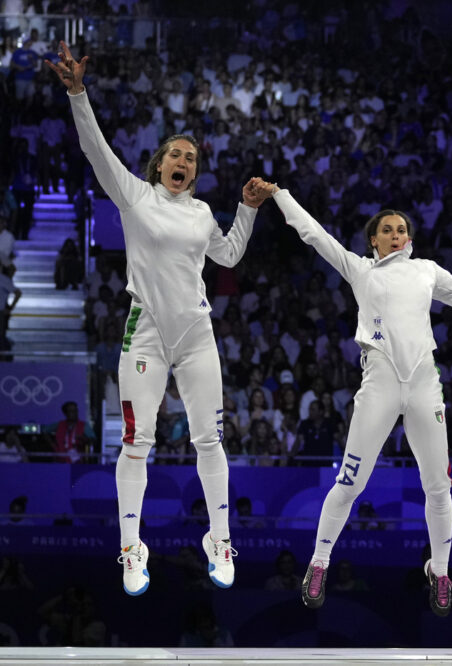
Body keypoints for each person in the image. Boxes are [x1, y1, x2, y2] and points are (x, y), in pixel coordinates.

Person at [252, 179, 452, 616]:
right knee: (349, 482)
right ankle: (318, 563)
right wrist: (280, 196)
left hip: (425, 382)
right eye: (387, 229)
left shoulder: (426, 270)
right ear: (373, 239)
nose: (396, 234)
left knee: (439, 486)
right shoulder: (360, 269)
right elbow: (313, 233)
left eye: (402, 229)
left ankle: (441, 571)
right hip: (380, 384)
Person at [47, 42, 267, 596]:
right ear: (160, 162)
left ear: (194, 173)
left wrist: (246, 209)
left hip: (196, 334)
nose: (183, 163)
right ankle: (130, 549)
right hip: (143, 332)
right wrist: (78, 94)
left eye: (192, 158)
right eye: (176, 154)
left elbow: (230, 255)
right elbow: (97, 153)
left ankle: (219, 539)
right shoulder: (136, 197)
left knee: (210, 441)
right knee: (135, 443)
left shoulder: (201, 213)